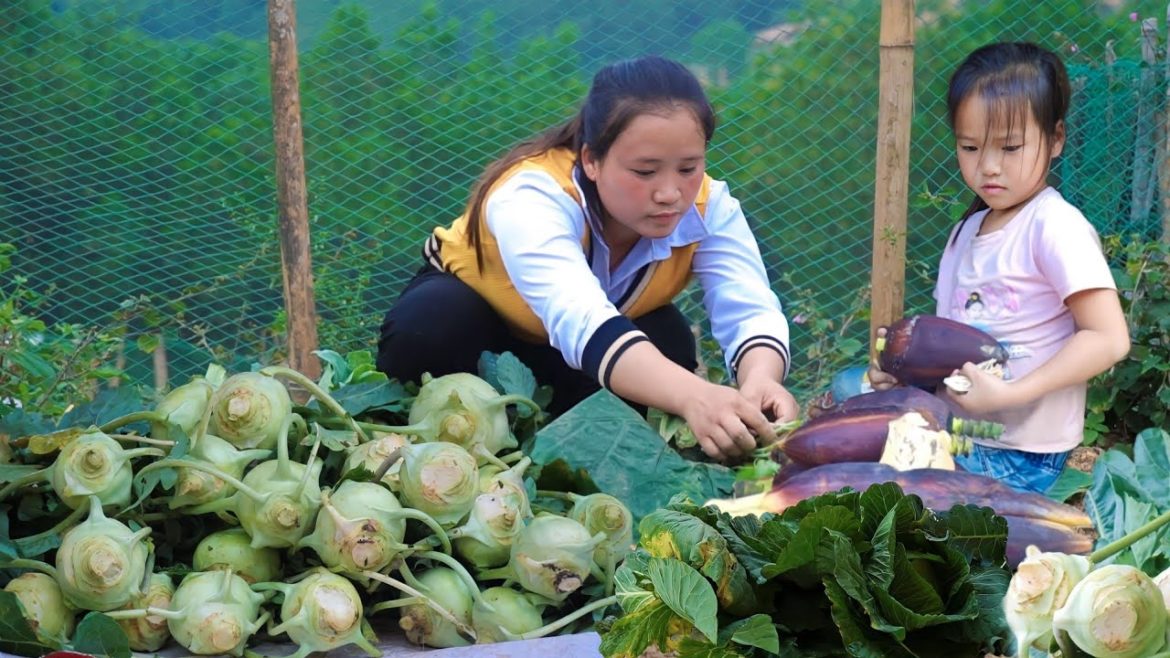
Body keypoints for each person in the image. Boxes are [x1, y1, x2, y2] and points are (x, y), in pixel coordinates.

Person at [376, 55, 799, 462]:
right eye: (645, 171)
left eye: (688, 168)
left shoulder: (711, 207)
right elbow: (578, 317)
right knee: (432, 321)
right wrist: (695, 395)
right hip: (477, 340)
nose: (670, 193)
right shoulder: (530, 194)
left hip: (580, 358)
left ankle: (584, 471)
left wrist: (760, 380)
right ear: (591, 160)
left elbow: (748, 306)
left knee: (667, 340)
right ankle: (403, 449)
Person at [868, 41, 1130, 493]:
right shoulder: (966, 232)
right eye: (970, 147)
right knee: (852, 388)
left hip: (1020, 455)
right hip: (960, 432)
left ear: (1056, 139)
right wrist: (903, 378)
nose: (988, 167)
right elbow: (948, 353)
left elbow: (1108, 338)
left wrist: (1011, 394)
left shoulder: (1054, 226)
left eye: (1010, 147)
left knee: (862, 465)